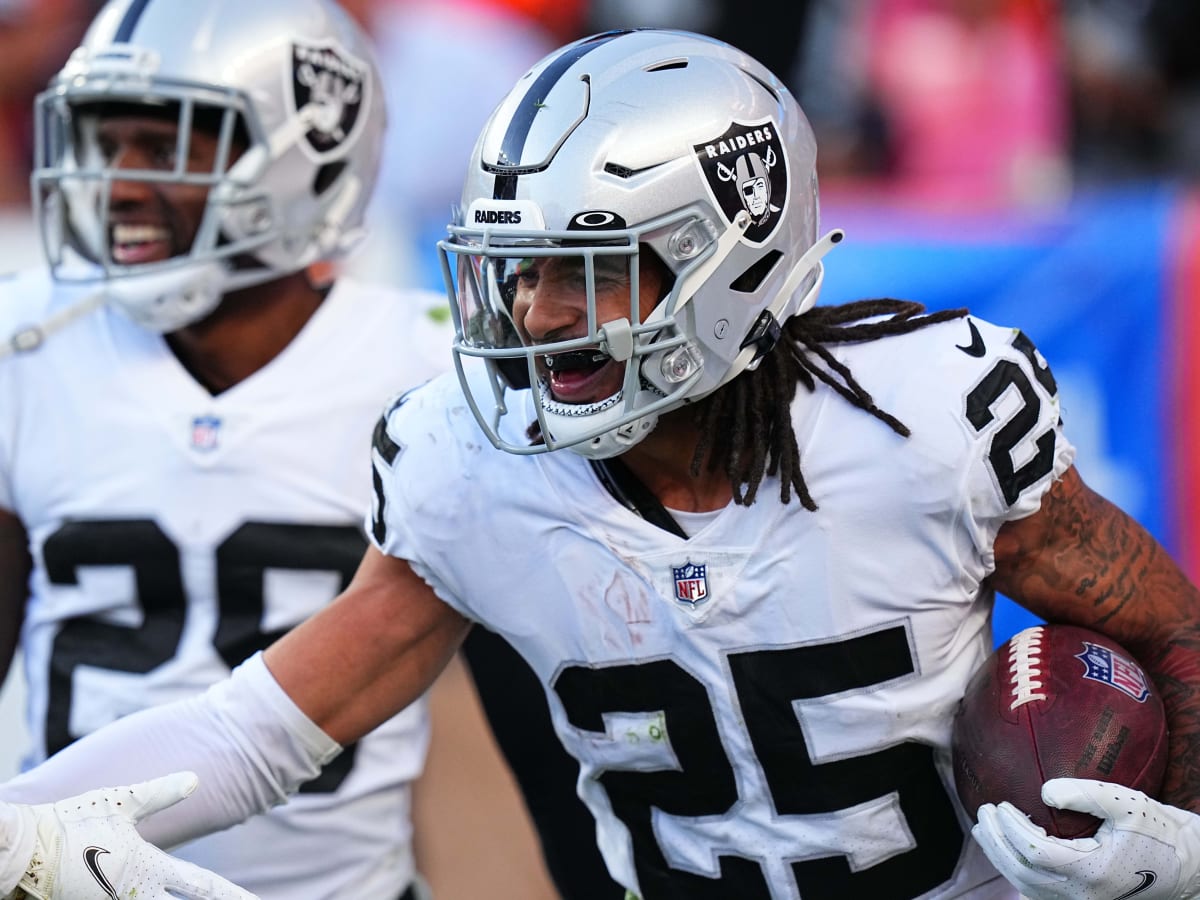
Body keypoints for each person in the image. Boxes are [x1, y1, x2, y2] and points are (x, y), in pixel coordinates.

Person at [2, 26, 1200, 900]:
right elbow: (254, 729)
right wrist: (21, 827)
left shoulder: (926, 422)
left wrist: (1188, 837)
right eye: (516, 269)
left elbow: (1175, 635)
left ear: (729, 256)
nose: (533, 312)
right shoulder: (471, 468)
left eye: (589, 265)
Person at [0, 0, 455, 898]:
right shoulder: (26, 344)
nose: (119, 185)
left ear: (308, 152)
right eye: (104, 143)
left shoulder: (432, 372)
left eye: (167, 145)